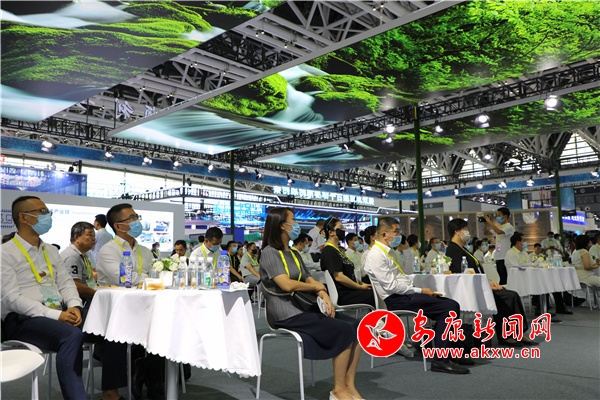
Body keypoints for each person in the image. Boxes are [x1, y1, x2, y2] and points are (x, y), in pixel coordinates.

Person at [260, 207, 364, 400]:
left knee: (358, 327)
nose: (296, 224)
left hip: (304, 307)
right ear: (282, 225)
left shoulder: (293, 253)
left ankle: (349, 385)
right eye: (293, 220)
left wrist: (323, 294)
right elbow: (286, 284)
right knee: (343, 330)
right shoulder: (269, 252)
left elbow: (309, 278)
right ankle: (338, 390)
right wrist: (316, 287)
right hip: (286, 313)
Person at [1, 195, 87, 399]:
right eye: (42, 212)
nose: (48, 216)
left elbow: (66, 283)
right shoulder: (5, 252)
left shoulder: (51, 250)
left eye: (48, 212)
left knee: (104, 326)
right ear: (23, 217)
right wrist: (56, 315)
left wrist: (74, 306)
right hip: (22, 319)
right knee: (71, 335)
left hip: (58, 312)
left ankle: (113, 391)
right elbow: (11, 298)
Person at [364, 217, 469, 374]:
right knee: (449, 308)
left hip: (405, 294)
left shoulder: (388, 251)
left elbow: (406, 272)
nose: (400, 235)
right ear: (385, 234)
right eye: (396, 231)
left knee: (450, 305)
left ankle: (445, 351)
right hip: (397, 300)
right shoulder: (376, 255)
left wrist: (406, 250)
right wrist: (420, 291)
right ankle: (441, 359)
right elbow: (391, 286)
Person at [96, 204, 160, 399]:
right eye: (132, 218)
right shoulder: (108, 250)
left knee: (162, 328)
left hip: (143, 307)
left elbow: (154, 275)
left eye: (136, 216)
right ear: (118, 226)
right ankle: (111, 393)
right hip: (115, 310)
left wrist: (146, 278)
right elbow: (124, 279)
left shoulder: (144, 251)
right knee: (117, 335)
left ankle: (155, 382)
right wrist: (147, 278)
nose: (137, 221)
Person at [61, 221, 128, 400]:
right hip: (74, 314)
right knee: (115, 335)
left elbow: (88, 282)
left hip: (86, 309)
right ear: (76, 237)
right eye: (89, 235)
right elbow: (75, 286)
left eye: (94, 235)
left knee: (116, 331)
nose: (93, 239)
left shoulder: (83, 255)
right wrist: (99, 294)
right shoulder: (71, 257)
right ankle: (110, 393)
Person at [445, 219, 538, 347]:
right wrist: (485, 284)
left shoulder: (462, 248)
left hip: (480, 284)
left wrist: (488, 282)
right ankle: (507, 335)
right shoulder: (453, 249)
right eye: (465, 229)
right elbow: (460, 273)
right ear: (457, 232)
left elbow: (475, 271)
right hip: (472, 289)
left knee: (512, 294)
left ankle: (516, 332)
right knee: (508, 297)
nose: (467, 232)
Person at [320, 218, 374, 308]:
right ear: (331, 232)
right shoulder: (329, 251)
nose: (343, 230)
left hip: (351, 290)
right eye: (340, 227)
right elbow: (339, 277)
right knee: (377, 296)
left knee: (376, 292)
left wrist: (360, 283)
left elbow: (348, 274)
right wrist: (359, 287)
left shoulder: (337, 250)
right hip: (344, 294)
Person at [483, 207, 514, 285]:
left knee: (505, 278)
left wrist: (490, 221)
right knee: (500, 277)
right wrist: (485, 223)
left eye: (499, 215)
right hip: (498, 256)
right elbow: (486, 233)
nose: (497, 217)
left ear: (505, 216)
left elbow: (499, 232)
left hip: (505, 256)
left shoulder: (509, 227)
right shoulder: (499, 227)